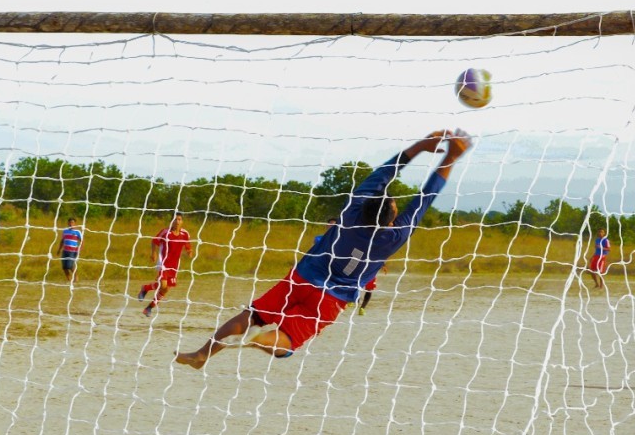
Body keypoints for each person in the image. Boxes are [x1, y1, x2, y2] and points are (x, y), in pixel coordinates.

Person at [176, 130, 471, 368]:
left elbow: (385, 172)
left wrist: (419, 147)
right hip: (330, 300)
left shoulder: (352, 210)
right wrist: (452, 157)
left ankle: (203, 353)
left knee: (252, 314)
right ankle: (257, 341)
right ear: (392, 218)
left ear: (366, 205)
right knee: (287, 340)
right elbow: (426, 196)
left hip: (303, 278)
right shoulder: (395, 236)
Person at [138, 212, 193, 317]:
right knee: (163, 285)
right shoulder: (165, 232)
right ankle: (146, 291)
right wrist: (153, 253)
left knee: (166, 289)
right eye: (175, 219)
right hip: (163, 263)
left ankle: (149, 305)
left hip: (175, 266)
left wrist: (189, 251)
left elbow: (188, 245)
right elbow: (154, 241)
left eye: (179, 219)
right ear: (171, 221)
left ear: (182, 221)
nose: (177, 222)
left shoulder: (185, 234)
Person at [57, 217, 83, 284]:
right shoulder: (65, 231)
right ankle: (69, 279)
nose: (71, 224)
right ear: (68, 223)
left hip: (73, 251)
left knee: (69, 265)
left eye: (72, 222)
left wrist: (80, 249)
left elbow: (81, 241)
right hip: (65, 251)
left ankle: (76, 276)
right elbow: (62, 240)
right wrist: (59, 249)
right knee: (64, 267)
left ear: (75, 223)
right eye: (70, 222)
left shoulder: (77, 232)